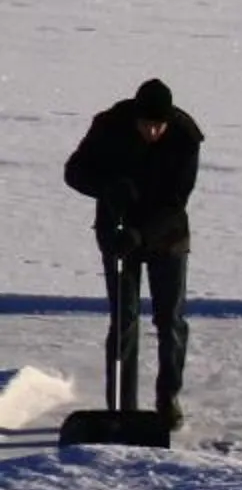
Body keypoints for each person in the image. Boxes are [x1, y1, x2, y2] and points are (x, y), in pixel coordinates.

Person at [63, 79, 204, 428]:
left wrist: (141, 234)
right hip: (116, 232)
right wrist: (108, 188)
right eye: (147, 124)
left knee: (169, 319)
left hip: (166, 236)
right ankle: (120, 404)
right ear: (135, 118)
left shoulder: (185, 137)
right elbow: (74, 171)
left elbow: (176, 202)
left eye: (160, 125)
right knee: (124, 320)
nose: (153, 131)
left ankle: (167, 399)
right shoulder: (108, 126)